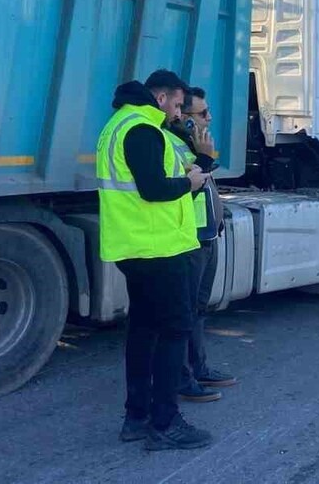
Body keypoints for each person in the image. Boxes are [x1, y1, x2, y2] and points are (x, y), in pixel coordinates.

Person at [97, 70, 212, 451]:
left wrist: (189, 173)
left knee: (144, 330)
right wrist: (189, 183)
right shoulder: (143, 130)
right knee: (175, 330)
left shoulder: (120, 124)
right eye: (178, 104)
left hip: (136, 246)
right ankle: (165, 422)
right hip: (158, 248)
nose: (177, 112)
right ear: (160, 98)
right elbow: (153, 190)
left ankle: (137, 417)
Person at [166, 88, 238, 404]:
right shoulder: (175, 148)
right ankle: (182, 378)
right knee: (183, 310)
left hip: (208, 235)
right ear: (184, 117)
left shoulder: (194, 146)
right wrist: (204, 158)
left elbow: (209, 187)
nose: (209, 118)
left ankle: (198, 367)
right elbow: (184, 191)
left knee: (199, 308)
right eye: (202, 113)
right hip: (189, 240)